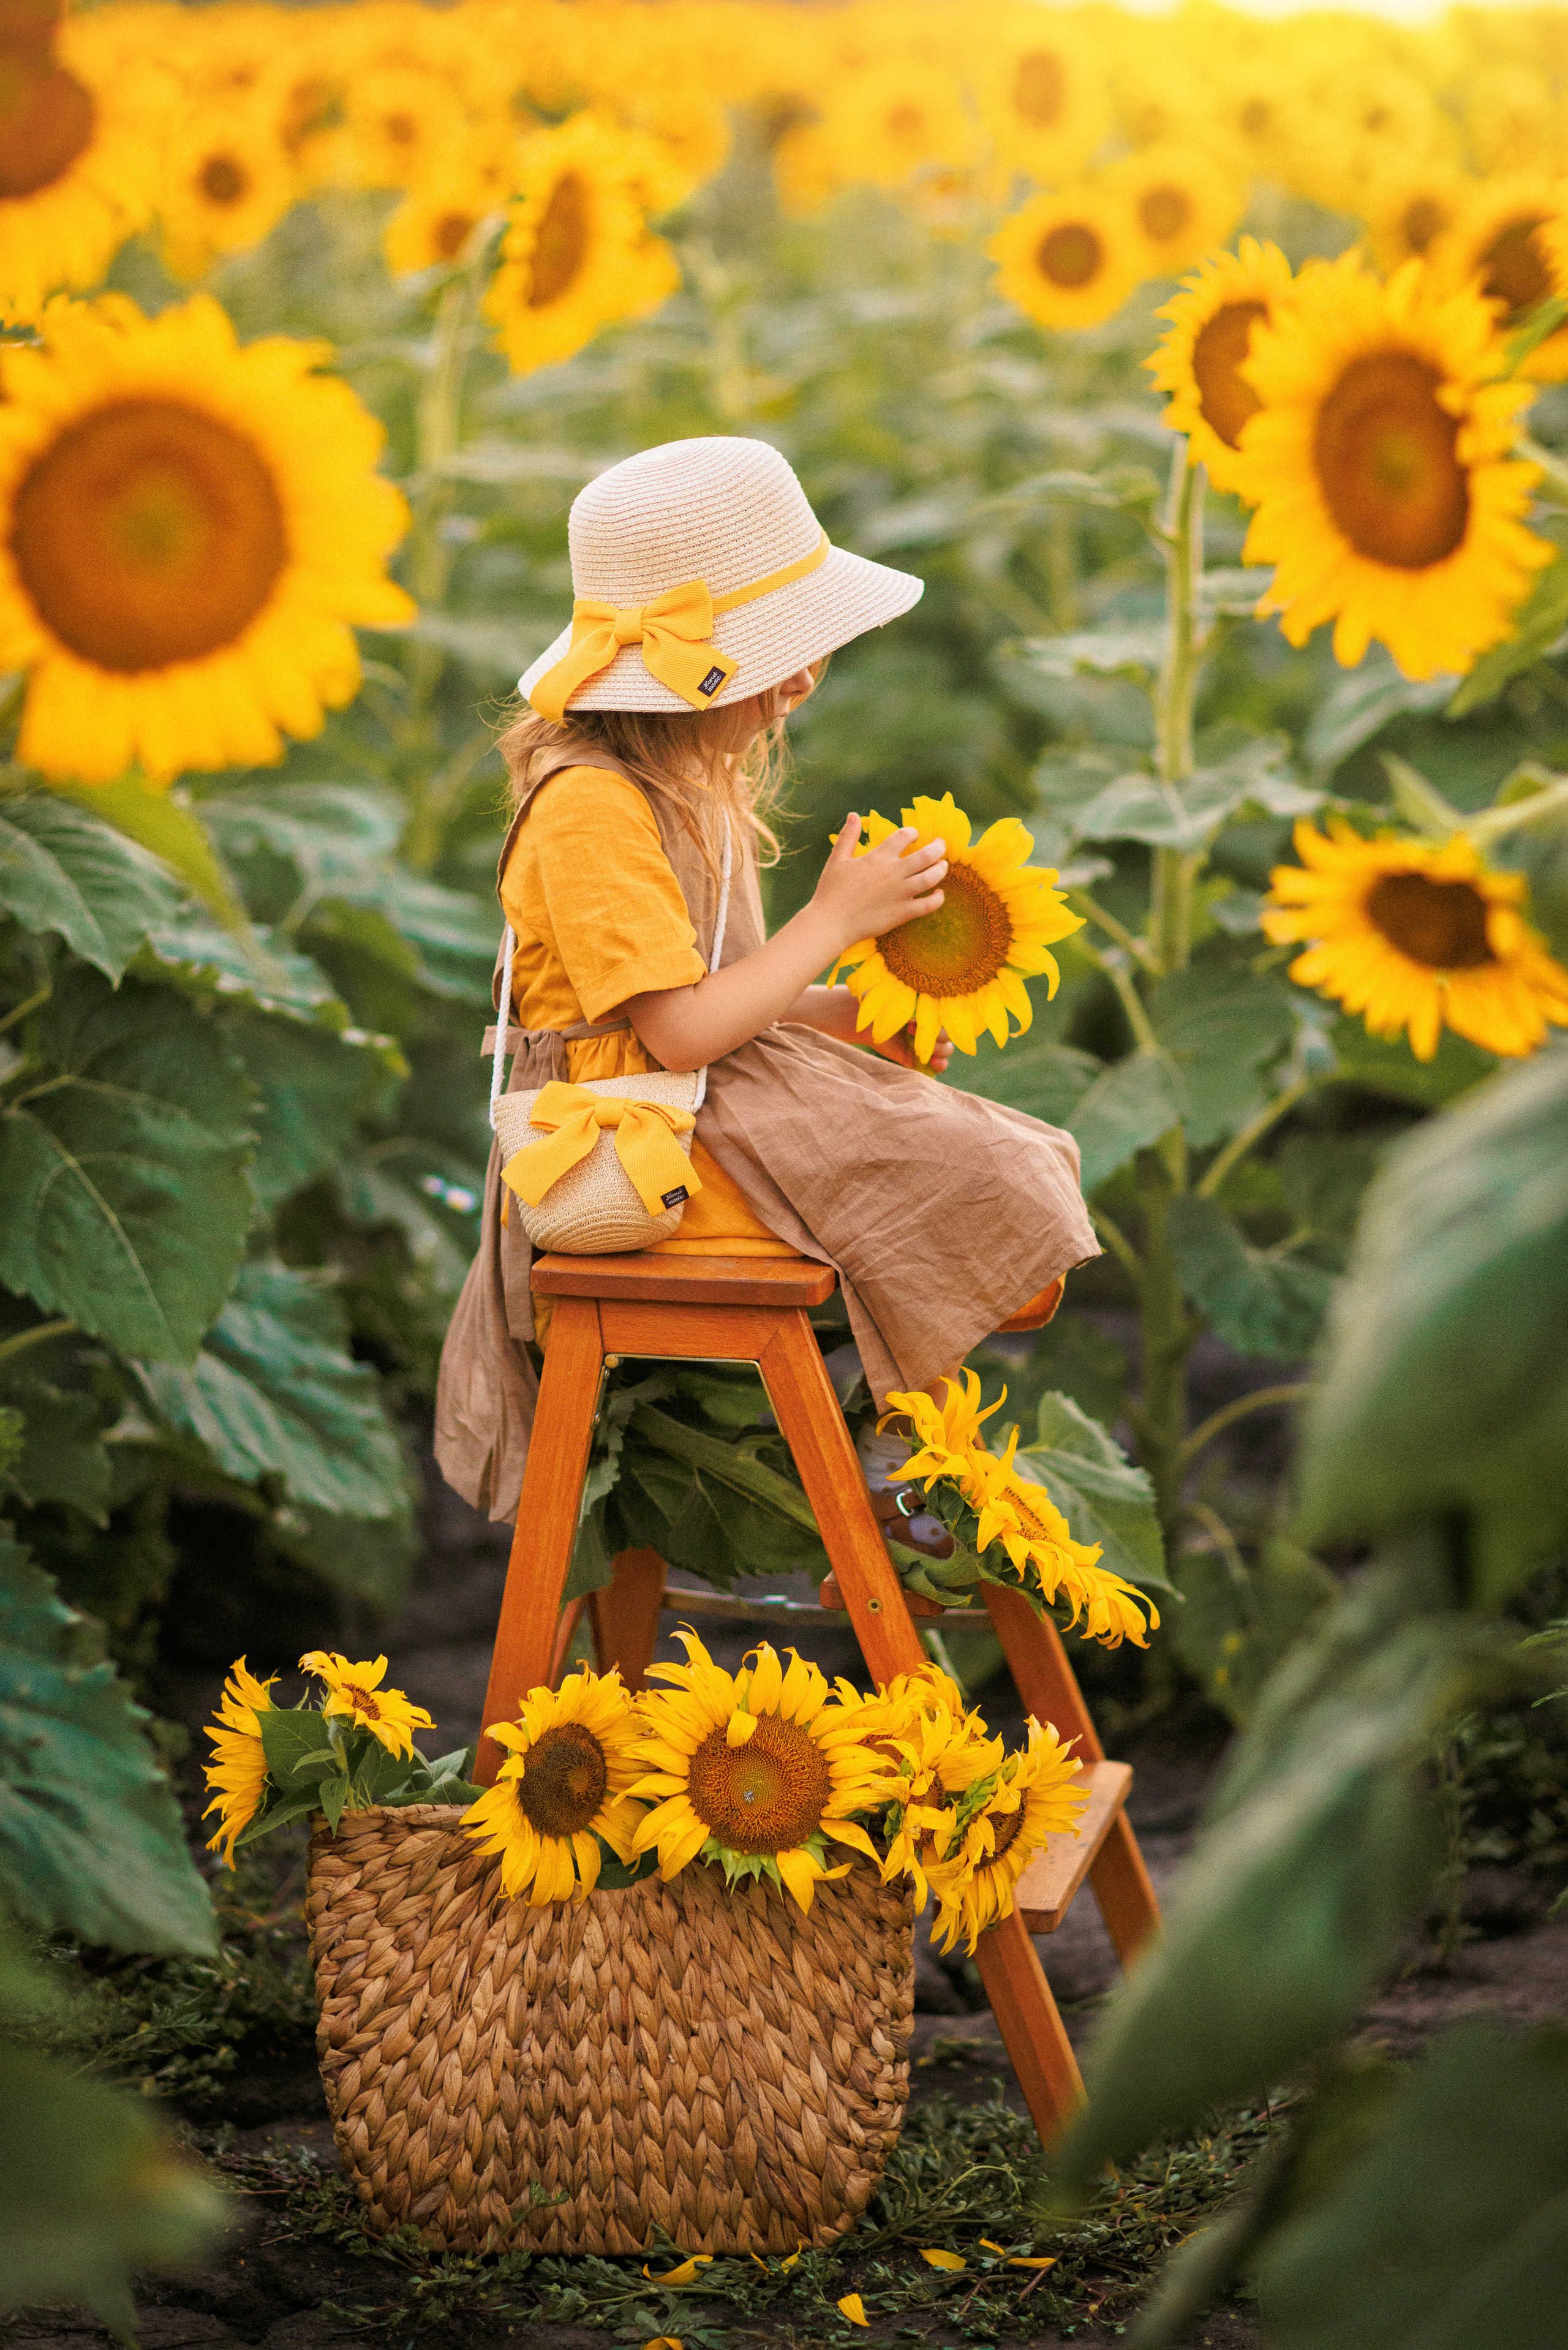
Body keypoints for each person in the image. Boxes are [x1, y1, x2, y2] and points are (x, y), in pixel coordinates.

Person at [434, 435, 1097, 1536]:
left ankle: (886, 1422)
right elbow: (679, 1032)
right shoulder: (588, 806)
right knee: (975, 1166)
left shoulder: (687, 778)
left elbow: (714, 992)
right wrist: (832, 923)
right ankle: (886, 1449)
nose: (798, 681)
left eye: (804, 650)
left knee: (1015, 1145)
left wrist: (852, 1017)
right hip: (631, 1134)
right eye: (769, 659)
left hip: (704, 1091)